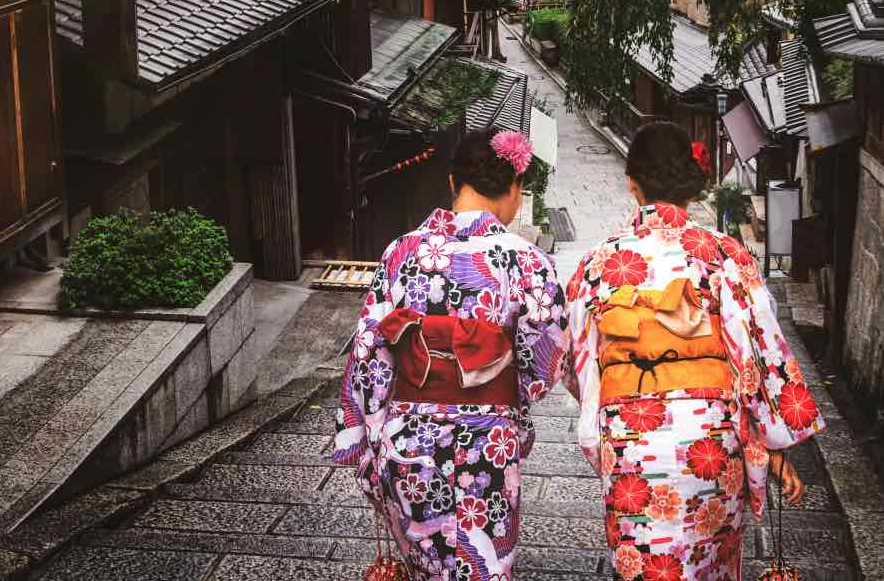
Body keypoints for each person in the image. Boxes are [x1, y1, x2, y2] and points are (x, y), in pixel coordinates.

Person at [563, 121, 823, 581]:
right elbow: (761, 351)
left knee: (645, 565)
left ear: (631, 181)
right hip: (710, 435)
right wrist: (771, 439)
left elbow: (573, 359)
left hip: (630, 437)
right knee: (710, 567)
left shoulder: (598, 262)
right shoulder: (723, 254)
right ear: (689, 179)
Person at [335, 127, 568, 581]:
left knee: (426, 566)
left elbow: (369, 349)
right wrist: (505, 390)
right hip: (488, 443)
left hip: (409, 443)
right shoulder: (527, 261)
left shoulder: (400, 253)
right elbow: (544, 361)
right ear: (515, 190)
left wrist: (363, 433)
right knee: (484, 565)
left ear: (451, 183)